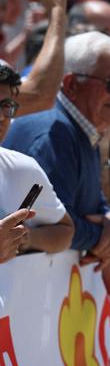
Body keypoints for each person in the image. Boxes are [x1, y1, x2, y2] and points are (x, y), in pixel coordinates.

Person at [5, 31, 110, 300]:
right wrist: (103, 234)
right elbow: (52, 221)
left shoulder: (83, 127)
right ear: (72, 84)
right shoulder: (54, 134)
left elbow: (85, 209)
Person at [0, 60, 73, 253]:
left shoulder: (22, 168)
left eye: (6, 105)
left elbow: (65, 232)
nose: (1, 116)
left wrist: (24, 238)